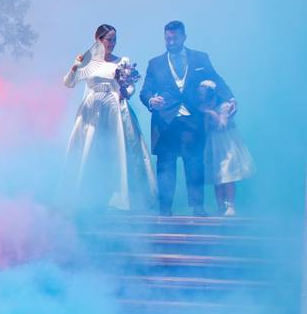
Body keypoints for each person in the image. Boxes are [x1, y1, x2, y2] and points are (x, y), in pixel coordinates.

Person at [139, 20, 234, 216]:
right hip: (165, 122)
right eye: (167, 38)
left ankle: (198, 207)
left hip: (193, 119)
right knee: (166, 165)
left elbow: (216, 79)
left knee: (195, 162)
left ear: (183, 37)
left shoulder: (200, 58)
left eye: (174, 38)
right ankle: (165, 209)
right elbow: (145, 91)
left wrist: (230, 98)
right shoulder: (154, 63)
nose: (171, 41)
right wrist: (151, 100)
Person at [60, 24, 157, 212]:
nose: (112, 43)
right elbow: (68, 83)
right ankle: (86, 197)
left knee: (118, 150)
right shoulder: (87, 61)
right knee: (90, 150)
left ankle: (121, 197)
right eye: (108, 39)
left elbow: (130, 87)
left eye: (114, 40)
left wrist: (125, 92)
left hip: (116, 108)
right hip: (93, 109)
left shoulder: (122, 61)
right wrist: (74, 67)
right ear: (98, 40)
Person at [198, 79, 255, 215]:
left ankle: (230, 205)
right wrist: (206, 115)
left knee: (227, 173)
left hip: (227, 142)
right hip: (213, 143)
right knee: (217, 176)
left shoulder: (224, 106)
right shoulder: (205, 107)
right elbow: (206, 129)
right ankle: (220, 206)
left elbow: (222, 125)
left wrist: (211, 112)